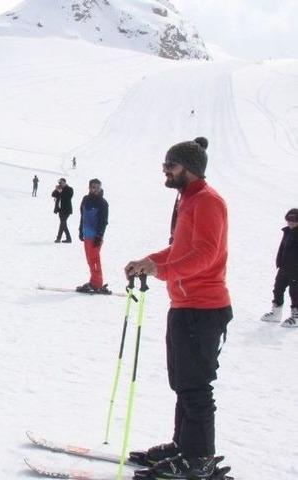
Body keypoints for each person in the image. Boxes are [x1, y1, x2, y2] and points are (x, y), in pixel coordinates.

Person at [125, 137, 231, 480]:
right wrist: (150, 262)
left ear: (189, 168)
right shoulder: (187, 201)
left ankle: (198, 459)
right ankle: (185, 446)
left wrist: (163, 271)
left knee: (196, 385)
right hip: (184, 306)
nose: (165, 172)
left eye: (170, 166)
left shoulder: (208, 202)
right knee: (182, 382)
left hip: (204, 307)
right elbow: (180, 250)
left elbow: (206, 255)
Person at [260, 208, 298, 327]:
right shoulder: (287, 232)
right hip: (283, 268)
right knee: (278, 289)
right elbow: (283, 249)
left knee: (295, 293)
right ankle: (276, 313)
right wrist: (279, 262)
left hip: (296, 271)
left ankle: (296, 316)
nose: (291, 222)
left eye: (294, 219)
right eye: (288, 219)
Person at [76, 179, 109, 294]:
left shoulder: (103, 203)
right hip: (87, 235)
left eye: (97, 187)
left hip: (95, 237)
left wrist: (99, 236)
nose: (95, 189)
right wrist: (81, 230)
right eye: (93, 187)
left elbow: (103, 221)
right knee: (90, 260)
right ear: (89, 188)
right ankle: (93, 281)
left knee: (94, 260)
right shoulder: (85, 200)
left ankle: (97, 284)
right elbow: (83, 216)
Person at [51, 178, 74, 243]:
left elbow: (68, 197)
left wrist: (61, 191)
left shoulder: (70, 189)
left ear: (64, 182)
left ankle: (64, 238)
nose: (60, 184)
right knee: (63, 224)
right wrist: (56, 190)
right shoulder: (60, 189)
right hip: (60, 210)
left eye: (61, 182)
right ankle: (64, 239)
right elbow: (53, 195)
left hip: (66, 210)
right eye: (59, 183)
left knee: (63, 223)